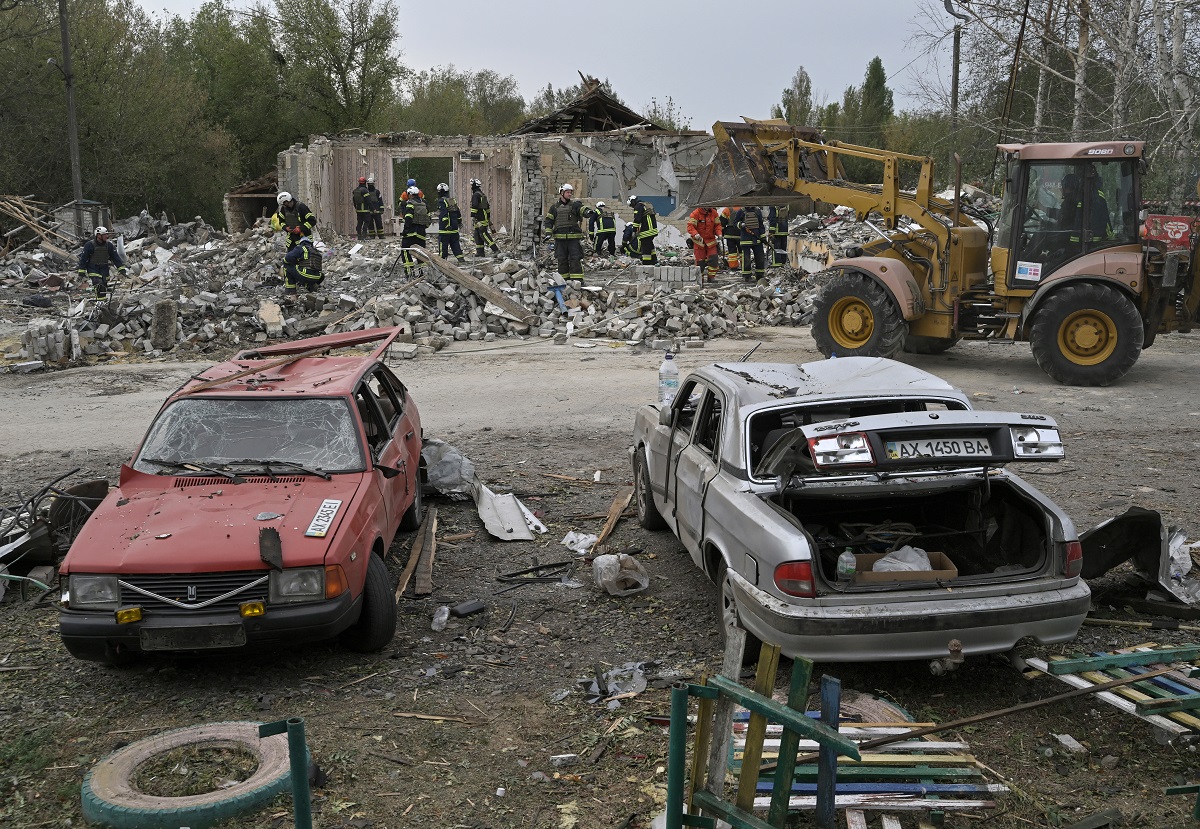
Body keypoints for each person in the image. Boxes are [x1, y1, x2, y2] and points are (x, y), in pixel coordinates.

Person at [545, 183, 595, 284]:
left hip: (573, 239)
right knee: (561, 260)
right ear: (561, 193)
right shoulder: (554, 207)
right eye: (567, 192)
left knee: (575, 259)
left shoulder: (574, 205)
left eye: (570, 192)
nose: (569, 194)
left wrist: (588, 212)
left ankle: (577, 281)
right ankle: (564, 282)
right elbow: (549, 221)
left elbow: (582, 210)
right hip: (560, 239)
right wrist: (548, 233)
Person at [76, 226, 126, 300]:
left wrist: (121, 269)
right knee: (99, 285)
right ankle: (100, 303)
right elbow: (83, 259)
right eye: (104, 234)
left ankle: (102, 303)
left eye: (106, 234)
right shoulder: (89, 245)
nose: (107, 236)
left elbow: (116, 258)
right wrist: (81, 272)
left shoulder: (109, 245)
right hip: (93, 268)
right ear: (98, 235)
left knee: (104, 287)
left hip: (104, 269)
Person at [686, 205, 723, 280]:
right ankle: (700, 279)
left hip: (711, 241)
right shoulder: (695, 213)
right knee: (700, 262)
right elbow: (690, 226)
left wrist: (719, 233)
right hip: (699, 241)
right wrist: (695, 234)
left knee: (714, 259)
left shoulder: (714, 213)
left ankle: (711, 277)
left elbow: (717, 225)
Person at [434, 182, 466, 264]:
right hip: (454, 229)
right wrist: (459, 222)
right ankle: (461, 260)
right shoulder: (452, 200)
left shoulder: (441, 201)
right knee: (456, 246)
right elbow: (458, 213)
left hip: (445, 230)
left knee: (443, 248)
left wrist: (446, 225)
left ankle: (442, 263)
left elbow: (444, 214)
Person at [401, 185, 430, 276]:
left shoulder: (410, 203)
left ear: (410, 194)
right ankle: (423, 273)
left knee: (405, 250)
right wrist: (423, 227)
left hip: (411, 232)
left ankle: (410, 272)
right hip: (421, 233)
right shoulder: (424, 204)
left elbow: (408, 218)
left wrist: (405, 230)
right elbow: (428, 218)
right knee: (421, 253)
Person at [469, 178, 502, 257]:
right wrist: (488, 218)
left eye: (471, 185)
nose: (471, 186)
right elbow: (487, 208)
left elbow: (475, 206)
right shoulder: (482, 194)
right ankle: (480, 252)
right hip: (483, 217)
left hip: (479, 218)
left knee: (483, 234)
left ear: (474, 185)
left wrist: (472, 216)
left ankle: (495, 250)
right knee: (477, 235)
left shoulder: (476, 195)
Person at [734, 204, 767, 282]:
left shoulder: (757, 211)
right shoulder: (741, 211)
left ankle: (760, 275)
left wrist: (763, 237)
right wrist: (740, 224)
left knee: (760, 257)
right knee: (746, 258)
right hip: (745, 239)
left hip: (757, 239)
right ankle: (747, 276)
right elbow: (735, 223)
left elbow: (761, 225)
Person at [628, 194, 659, 265]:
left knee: (645, 245)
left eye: (631, 206)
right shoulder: (645, 204)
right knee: (650, 244)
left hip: (647, 229)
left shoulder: (638, 206)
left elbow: (637, 219)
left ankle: (646, 262)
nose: (633, 207)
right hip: (653, 228)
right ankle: (654, 259)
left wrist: (634, 230)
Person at [719, 206, 739, 270]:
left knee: (732, 252)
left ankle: (733, 266)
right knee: (743, 252)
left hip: (730, 234)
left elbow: (722, 222)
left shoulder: (728, 209)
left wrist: (722, 232)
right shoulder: (744, 208)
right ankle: (745, 266)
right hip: (741, 234)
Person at [352, 176, 370, 240]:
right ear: (364, 182)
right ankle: (364, 235)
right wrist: (372, 208)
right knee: (367, 221)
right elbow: (368, 200)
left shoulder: (355, 190)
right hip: (365, 210)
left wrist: (356, 208)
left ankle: (359, 235)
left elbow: (354, 200)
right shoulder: (365, 190)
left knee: (359, 222)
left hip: (358, 210)